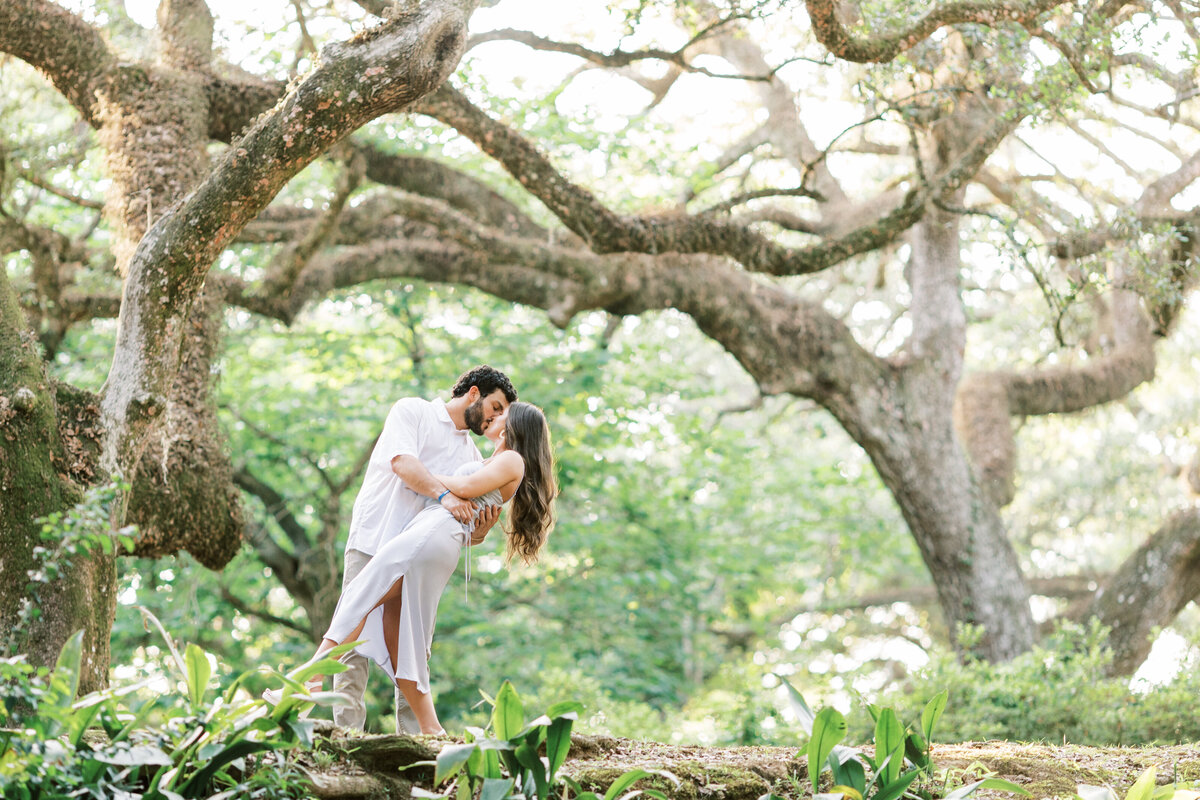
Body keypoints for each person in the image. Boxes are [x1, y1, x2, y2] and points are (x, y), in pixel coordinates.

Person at [266, 401, 557, 734]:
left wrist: (417, 474)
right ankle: (430, 730)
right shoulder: (489, 460)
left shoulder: (511, 460)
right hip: (433, 534)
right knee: (401, 637)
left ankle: (308, 680)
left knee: (362, 594)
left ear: (514, 424)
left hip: (432, 534)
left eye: (501, 412)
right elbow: (470, 511)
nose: (494, 416)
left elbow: (462, 490)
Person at [332, 365, 516, 732]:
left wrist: (478, 532)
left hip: (416, 559)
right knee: (350, 639)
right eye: (495, 407)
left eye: (502, 415)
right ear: (475, 393)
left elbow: (459, 521)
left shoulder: (474, 455)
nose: (496, 418)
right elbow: (402, 463)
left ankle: (414, 741)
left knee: (415, 647)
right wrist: (446, 495)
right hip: (375, 537)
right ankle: (345, 737)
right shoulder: (412, 411)